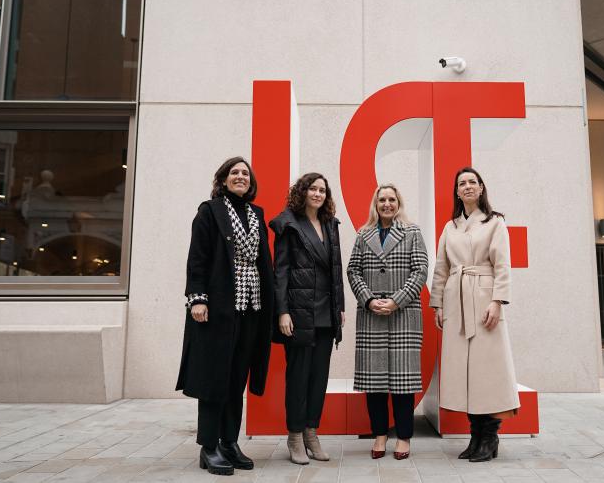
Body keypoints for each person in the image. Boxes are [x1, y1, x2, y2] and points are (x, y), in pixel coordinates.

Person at [176, 156, 274, 476]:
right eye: (234, 173)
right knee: (214, 377)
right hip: (218, 309)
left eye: (245, 173)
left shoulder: (257, 214)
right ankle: (209, 446)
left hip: (251, 309)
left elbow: (264, 262)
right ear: (223, 179)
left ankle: (230, 442)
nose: (241, 177)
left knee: (236, 380)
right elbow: (198, 258)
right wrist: (198, 299)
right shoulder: (209, 210)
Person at [429, 166, 520, 463]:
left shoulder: (495, 223)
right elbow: (441, 268)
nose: (467, 187)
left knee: (487, 371)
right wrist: (438, 303)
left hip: (483, 301)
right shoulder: (450, 227)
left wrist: (497, 301)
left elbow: (502, 265)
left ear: (481, 188)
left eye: (472, 182)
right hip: (456, 302)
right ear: (456, 191)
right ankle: (475, 436)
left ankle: (490, 436)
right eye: (461, 183)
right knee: (464, 373)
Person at [347, 184, 428, 460]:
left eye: (392, 199)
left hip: (403, 315)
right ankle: (380, 435)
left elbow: (420, 271)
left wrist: (397, 300)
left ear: (398, 203)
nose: (387, 204)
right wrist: (369, 300)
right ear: (375, 203)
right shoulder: (363, 233)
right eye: (382, 200)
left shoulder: (412, 232)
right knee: (375, 382)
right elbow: (353, 270)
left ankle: (403, 437)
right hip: (372, 317)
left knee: (403, 382)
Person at [270, 173, 345, 465]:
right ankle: (294, 435)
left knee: (318, 378)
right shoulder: (288, 224)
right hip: (299, 311)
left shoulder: (330, 224)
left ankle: (312, 432)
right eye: (313, 189)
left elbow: (335, 270)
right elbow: (281, 271)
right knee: (298, 377)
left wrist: (339, 307)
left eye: (322, 190)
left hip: (326, 313)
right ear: (302, 192)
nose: (317, 194)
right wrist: (283, 311)